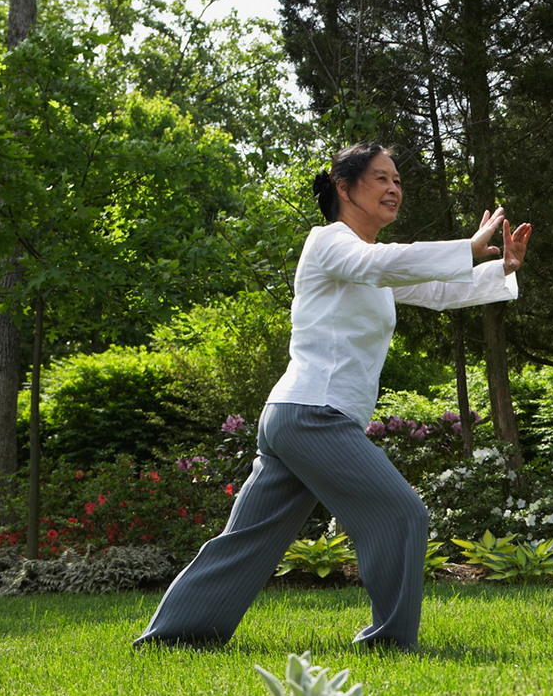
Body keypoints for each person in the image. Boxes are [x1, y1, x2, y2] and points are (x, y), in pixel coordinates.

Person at [135, 142, 531, 650]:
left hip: (297, 416)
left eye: (397, 181)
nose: (394, 189)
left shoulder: (371, 265)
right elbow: (381, 266)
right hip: (312, 415)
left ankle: (176, 637)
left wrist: (501, 269)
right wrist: (465, 246)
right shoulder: (328, 243)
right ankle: (390, 642)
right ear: (344, 187)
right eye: (381, 179)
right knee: (402, 512)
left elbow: (432, 290)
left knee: (250, 538)